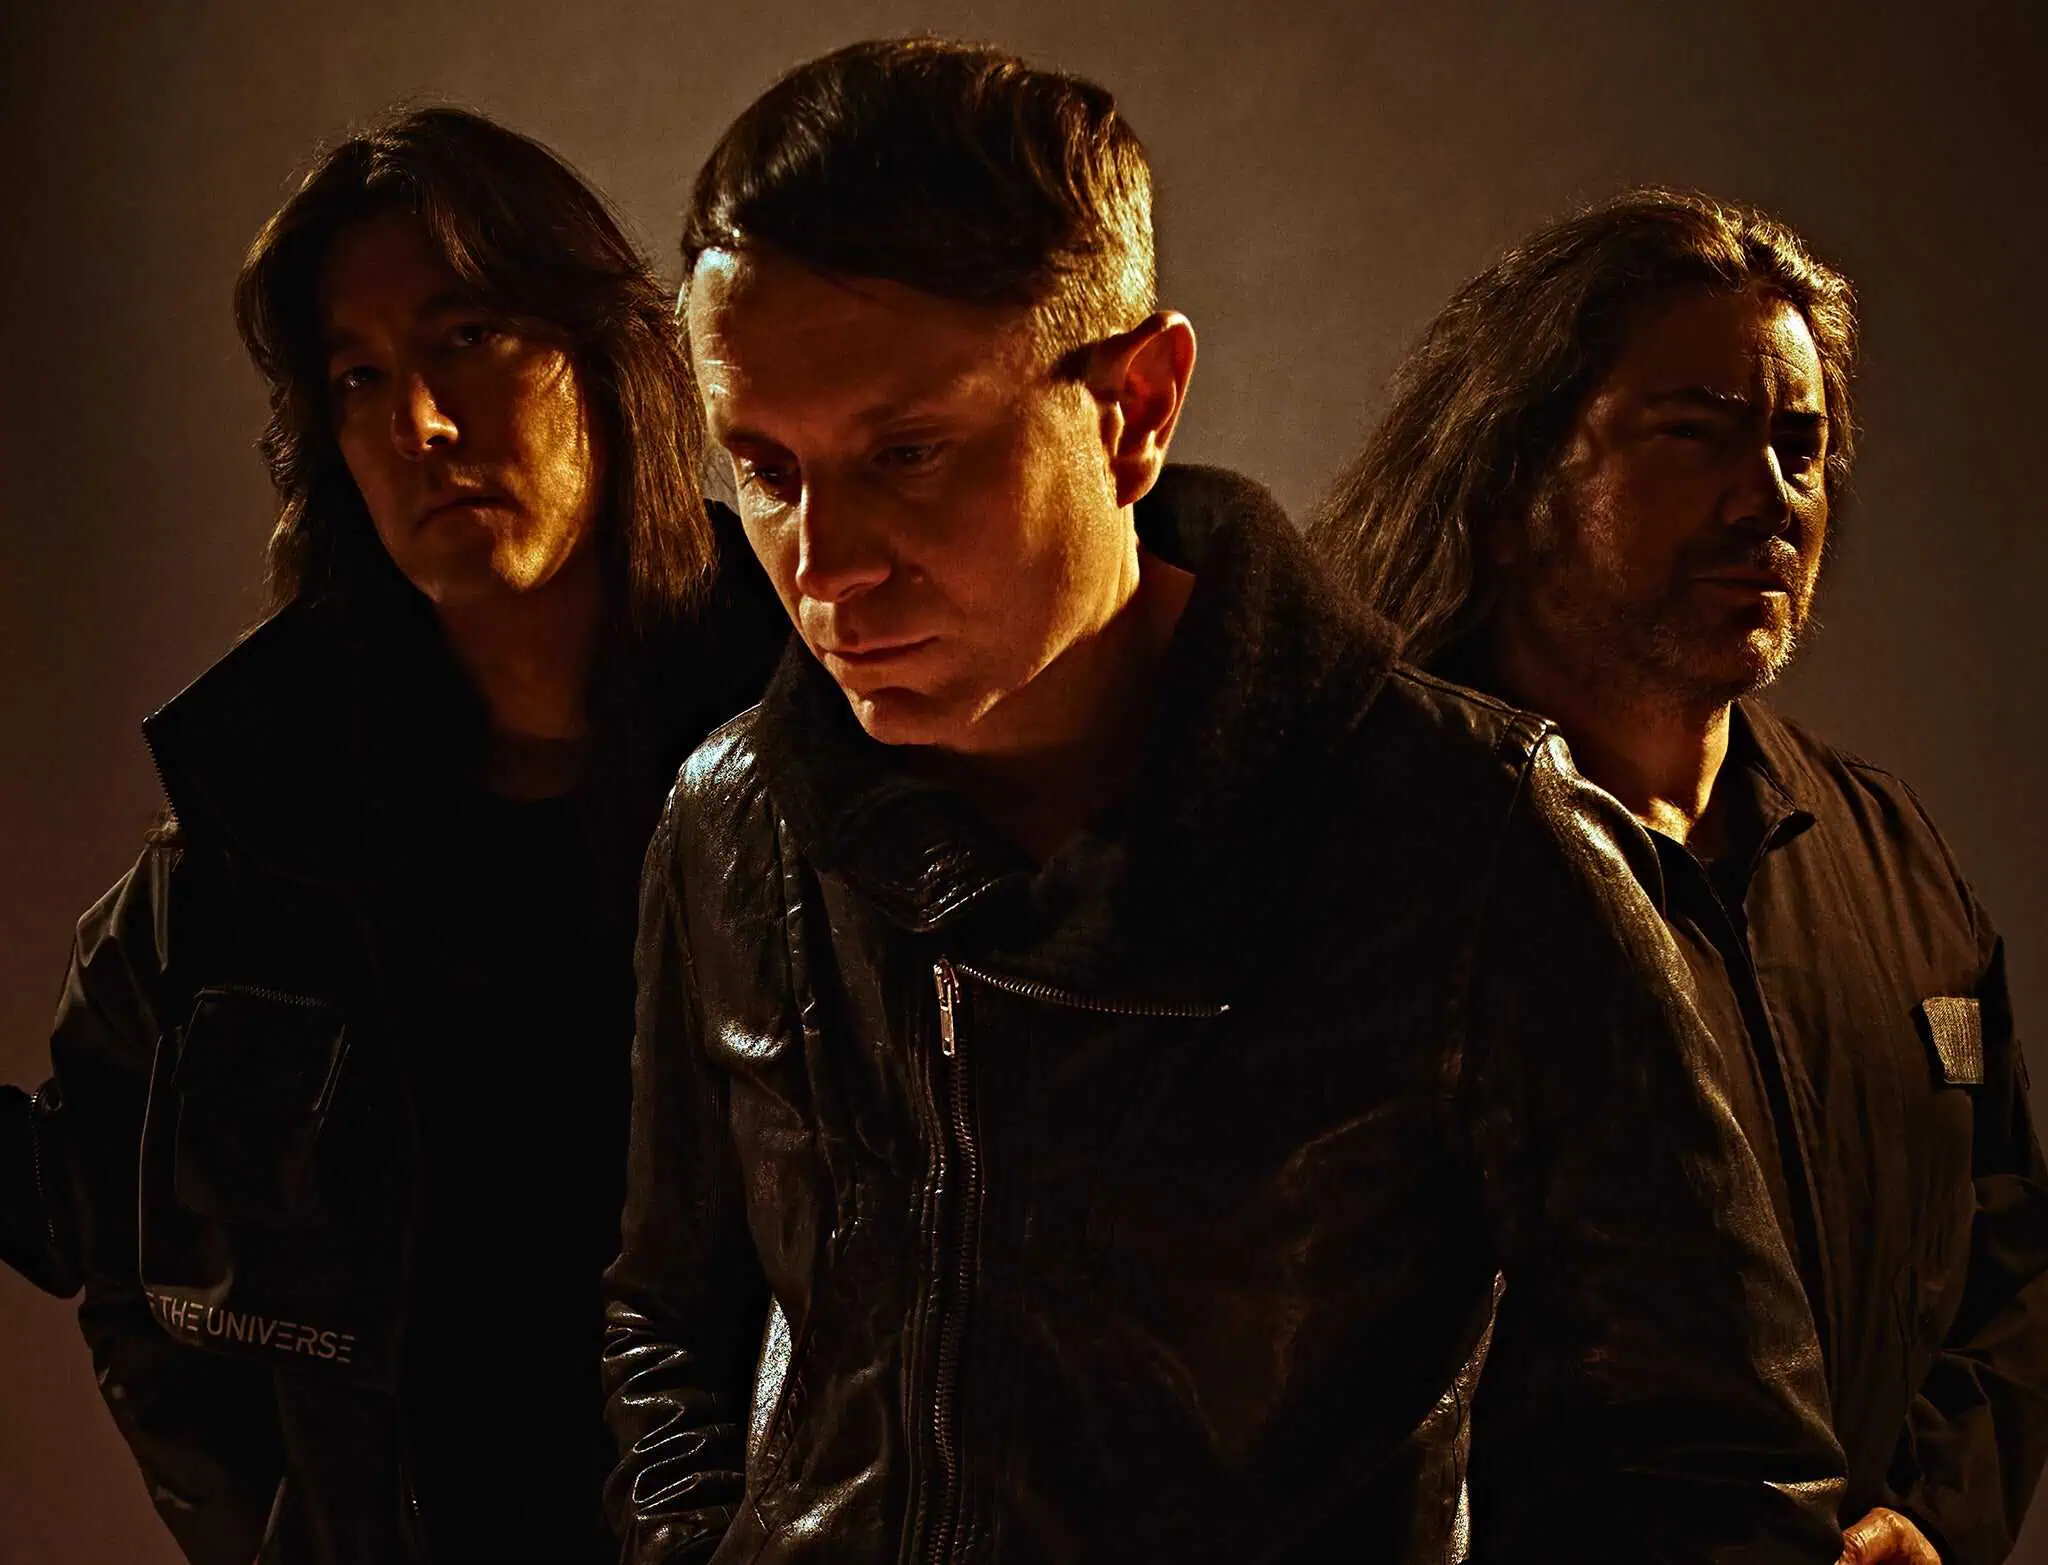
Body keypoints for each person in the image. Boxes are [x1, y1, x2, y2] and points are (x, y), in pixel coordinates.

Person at [603, 40, 1847, 1564]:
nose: (825, 564)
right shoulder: (731, 819)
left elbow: (1723, 1478)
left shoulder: (1464, 842)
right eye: (766, 468)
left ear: (1136, 408)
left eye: (909, 454)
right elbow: (669, 1325)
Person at [15, 106, 787, 1564]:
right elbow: (105, 1220)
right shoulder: (260, 841)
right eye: (358, 377)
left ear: (607, 356)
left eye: (469, 337)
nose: (417, 423)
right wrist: (280, 1534)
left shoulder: (823, 748)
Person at [1309, 188, 2048, 1565]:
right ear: (1513, 484)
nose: (1769, 498)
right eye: (1695, 435)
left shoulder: (1888, 857)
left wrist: (1927, 1519)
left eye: (1800, 447)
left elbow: (2012, 1252)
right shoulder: (1366, 863)